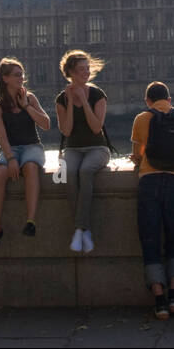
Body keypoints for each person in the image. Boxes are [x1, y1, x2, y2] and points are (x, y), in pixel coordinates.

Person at [129, 81, 174, 319]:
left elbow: (138, 154)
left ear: (148, 100)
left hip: (150, 181)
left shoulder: (142, 118)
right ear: (169, 98)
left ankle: (159, 300)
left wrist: (138, 159)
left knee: (150, 238)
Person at [0, 57, 51, 250]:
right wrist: (11, 159)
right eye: (16, 75)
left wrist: (26, 107)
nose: (21, 78)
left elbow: (46, 124)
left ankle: (30, 221)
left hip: (32, 146)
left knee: (30, 167)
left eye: (22, 74)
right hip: (10, 148)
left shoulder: (30, 98)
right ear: (5, 78)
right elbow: (2, 138)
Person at [54, 50, 110, 253]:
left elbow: (96, 128)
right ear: (70, 73)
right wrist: (70, 102)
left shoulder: (97, 95)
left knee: (86, 171)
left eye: (87, 68)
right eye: (81, 70)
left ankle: (79, 228)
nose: (86, 72)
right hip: (73, 148)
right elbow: (67, 131)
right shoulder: (61, 99)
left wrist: (84, 101)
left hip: (98, 148)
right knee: (69, 173)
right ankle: (83, 229)